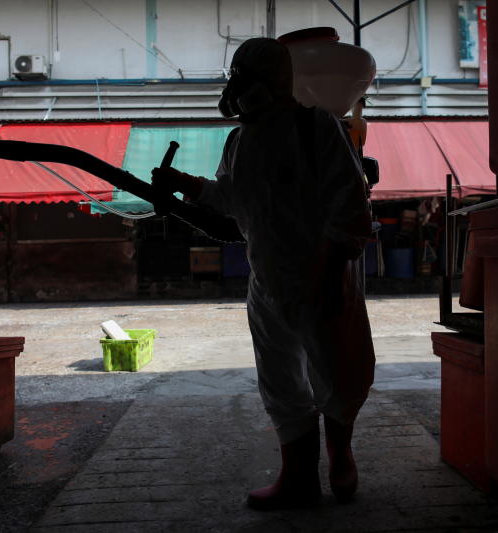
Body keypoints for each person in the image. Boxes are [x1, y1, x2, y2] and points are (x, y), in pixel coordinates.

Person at [151, 37, 375, 510]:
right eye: (236, 75)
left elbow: (350, 205)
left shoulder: (317, 128)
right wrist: (182, 186)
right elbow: (229, 199)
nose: (238, 87)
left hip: (324, 277)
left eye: (246, 75)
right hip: (268, 282)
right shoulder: (240, 140)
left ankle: (340, 456)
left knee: (339, 370)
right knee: (279, 379)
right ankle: (298, 478)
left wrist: (335, 272)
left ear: (273, 79)